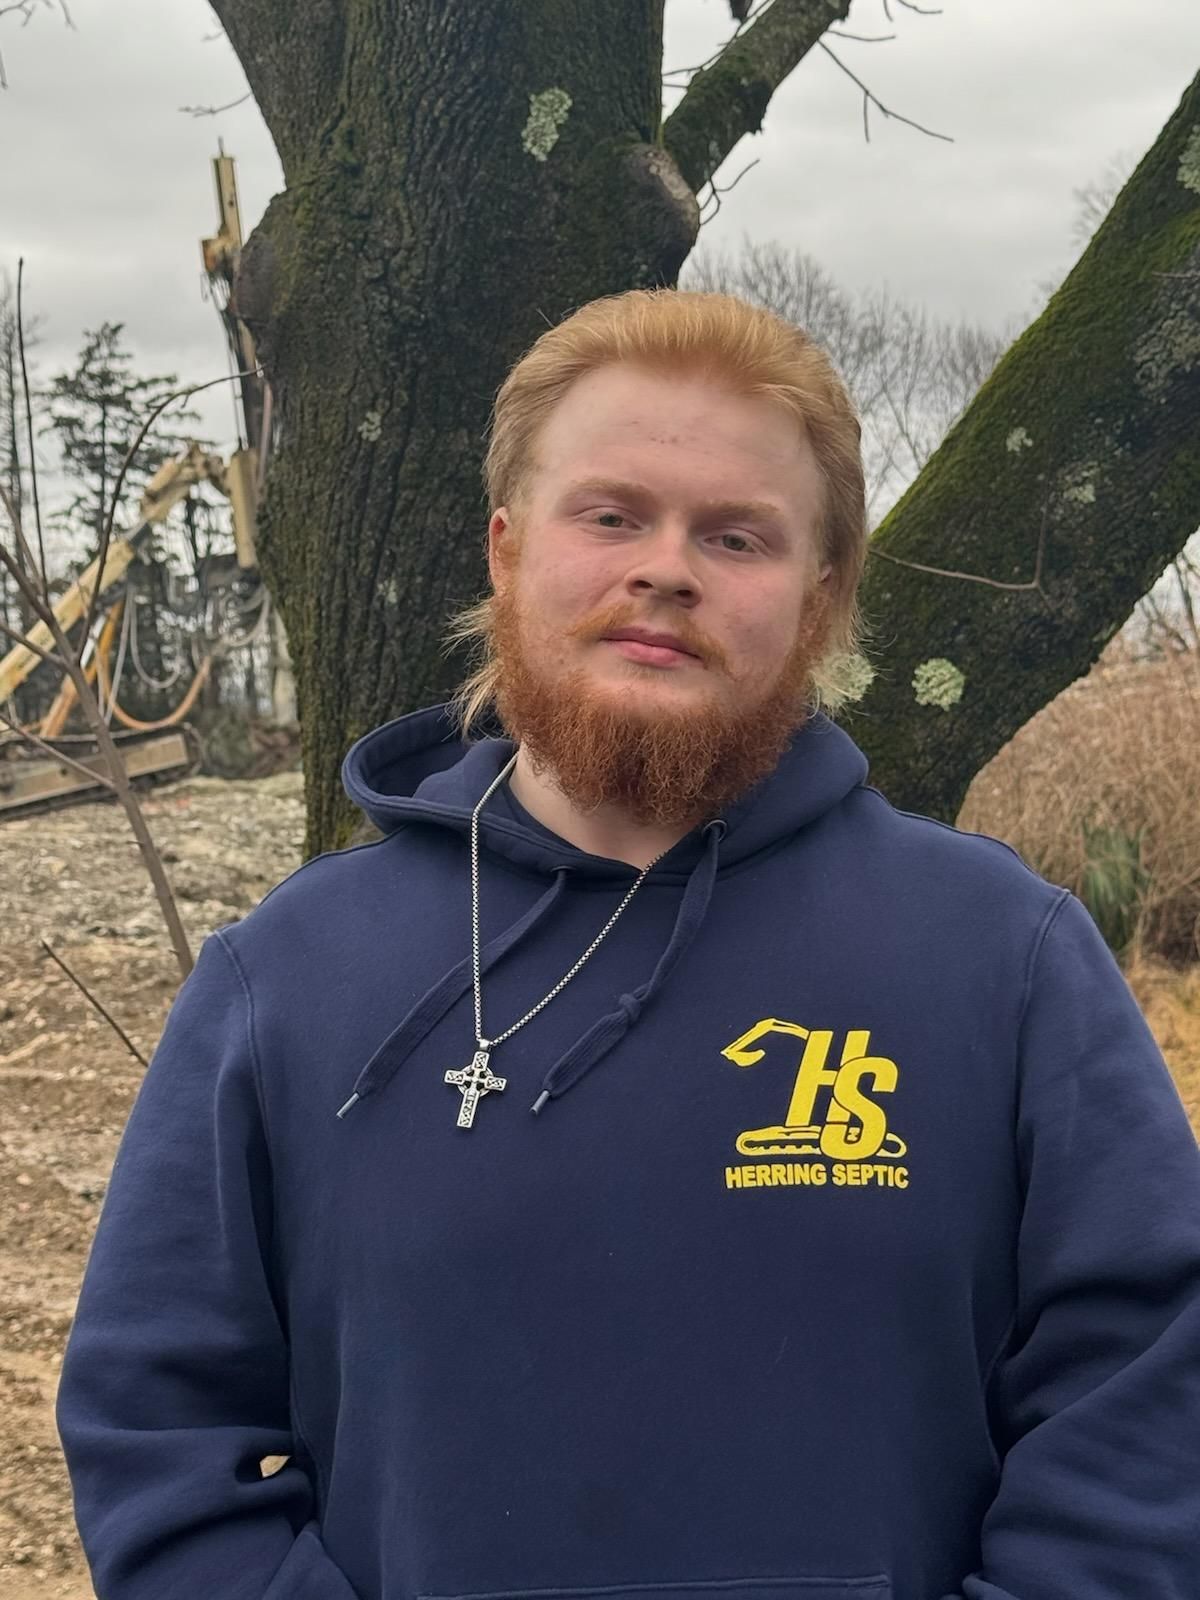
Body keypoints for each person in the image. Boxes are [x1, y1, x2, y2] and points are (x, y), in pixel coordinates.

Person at [57, 289, 1200, 1600]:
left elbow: (1149, 1405)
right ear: (504, 550)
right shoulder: (289, 977)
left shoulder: (1006, 961)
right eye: (611, 516)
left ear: (822, 599)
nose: (666, 568)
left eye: (737, 535)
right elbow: (159, 1435)